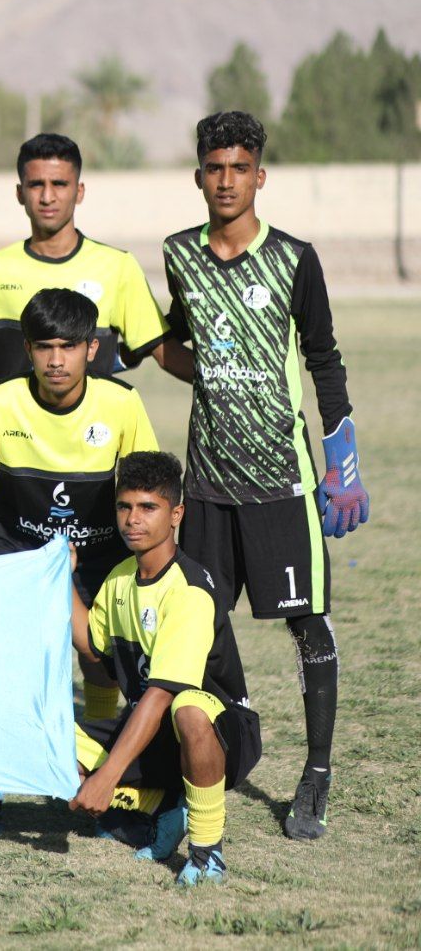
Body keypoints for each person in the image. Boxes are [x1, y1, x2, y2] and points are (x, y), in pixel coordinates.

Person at [158, 111, 369, 840]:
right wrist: (139, 350)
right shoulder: (179, 254)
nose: (226, 181)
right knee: (197, 629)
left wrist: (343, 463)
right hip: (205, 486)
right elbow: (178, 341)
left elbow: (324, 358)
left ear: (260, 176)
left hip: (282, 481)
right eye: (215, 168)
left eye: (239, 169)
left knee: (307, 624)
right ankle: (212, 755)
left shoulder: (294, 258)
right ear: (198, 176)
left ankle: (317, 773)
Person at [0, 288, 158, 729]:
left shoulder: (121, 402)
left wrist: (149, 570)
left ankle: (98, 730)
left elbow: (148, 493)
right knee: (13, 659)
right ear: (27, 349)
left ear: (92, 349)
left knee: (99, 654)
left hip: (99, 554)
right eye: (45, 347)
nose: (56, 360)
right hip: (18, 550)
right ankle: (8, 751)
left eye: (69, 346)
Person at [70, 451, 262, 887]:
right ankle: (160, 804)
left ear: (176, 514)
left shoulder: (188, 590)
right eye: (124, 507)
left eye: (147, 507)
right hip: (150, 732)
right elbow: (92, 645)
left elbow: (161, 695)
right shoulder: (120, 578)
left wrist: (107, 777)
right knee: (52, 743)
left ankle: (207, 852)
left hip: (219, 735)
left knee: (188, 707)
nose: (132, 519)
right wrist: (62, 576)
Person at [0, 133, 181, 383]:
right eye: (36, 185)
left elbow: (165, 353)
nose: (47, 197)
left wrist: (211, 378)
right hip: (8, 412)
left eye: (59, 184)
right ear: (20, 193)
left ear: (79, 191)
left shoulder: (118, 267)